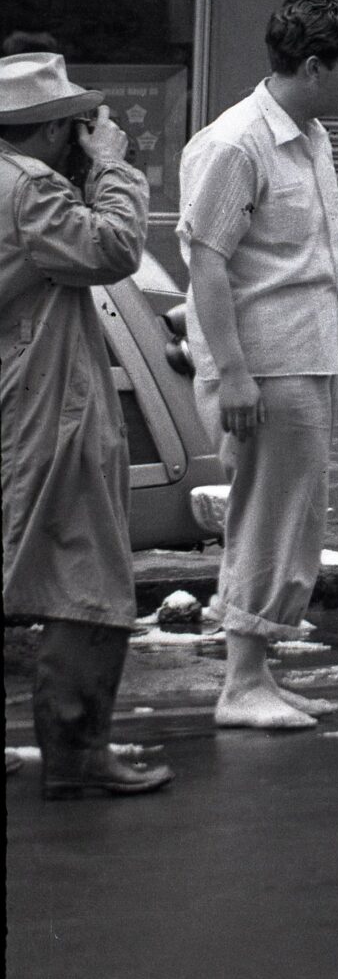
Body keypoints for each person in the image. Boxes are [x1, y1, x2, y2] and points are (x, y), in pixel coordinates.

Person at [179, 0, 338, 729]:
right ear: (311, 65)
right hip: (262, 365)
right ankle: (240, 683)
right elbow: (207, 263)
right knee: (267, 516)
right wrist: (233, 371)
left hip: (307, 355)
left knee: (297, 514)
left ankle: (259, 667)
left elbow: (315, 254)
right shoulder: (236, 144)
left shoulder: (311, 135)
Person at [1, 54, 171, 799]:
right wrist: (113, 169)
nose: (88, 134)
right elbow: (113, 248)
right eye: (77, 124)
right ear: (49, 131)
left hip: (18, 390)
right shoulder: (31, 187)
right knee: (86, 579)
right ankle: (75, 755)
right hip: (48, 403)